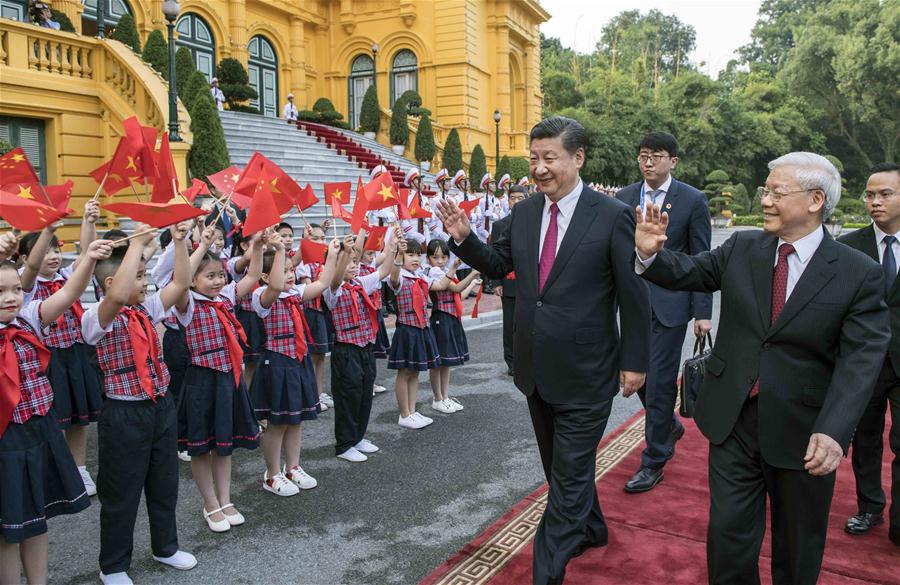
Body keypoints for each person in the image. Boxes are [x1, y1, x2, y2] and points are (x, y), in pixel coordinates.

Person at [634, 152, 890, 585]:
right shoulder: (743, 246)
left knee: (797, 548)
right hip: (733, 418)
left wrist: (834, 429)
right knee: (728, 538)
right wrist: (651, 255)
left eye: (775, 191)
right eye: (765, 191)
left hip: (804, 431)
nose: (765, 200)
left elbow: (861, 358)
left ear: (814, 200)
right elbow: (692, 272)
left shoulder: (857, 271)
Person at [436, 116, 650, 585]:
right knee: (561, 471)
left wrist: (636, 362)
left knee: (567, 484)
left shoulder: (611, 215)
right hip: (535, 369)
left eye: (549, 158)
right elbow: (499, 265)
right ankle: (592, 528)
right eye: (534, 158)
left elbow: (633, 295)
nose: (539, 168)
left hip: (587, 372)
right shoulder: (528, 213)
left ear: (577, 158)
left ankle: (546, 572)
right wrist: (464, 237)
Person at [83, 223, 199, 585]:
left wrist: (179, 242)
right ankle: (113, 565)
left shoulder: (146, 308)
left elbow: (180, 283)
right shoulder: (95, 317)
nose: (146, 281)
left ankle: (165, 547)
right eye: (138, 276)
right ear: (109, 284)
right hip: (123, 413)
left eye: (145, 275)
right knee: (122, 491)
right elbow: (117, 296)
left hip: (160, 404)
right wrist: (136, 244)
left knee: (164, 482)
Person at [0, 234, 109, 585]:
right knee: (10, 527)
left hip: (41, 431)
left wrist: (89, 257)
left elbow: (67, 295)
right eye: (1, 291)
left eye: (16, 289)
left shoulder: (28, 320)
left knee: (38, 518)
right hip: (6, 440)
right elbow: (30, 265)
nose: (11, 297)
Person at [615, 131, 713, 493]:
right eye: (643, 155)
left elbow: (701, 259)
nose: (648, 162)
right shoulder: (625, 198)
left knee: (657, 384)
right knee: (631, 373)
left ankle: (654, 459)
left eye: (656, 156)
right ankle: (668, 424)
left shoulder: (691, 200)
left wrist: (703, 311)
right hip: (633, 302)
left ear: (673, 160)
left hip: (671, 304)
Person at [174, 226, 263, 533]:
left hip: (227, 378)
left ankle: (225, 499)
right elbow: (181, 279)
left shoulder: (224, 297)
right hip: (201, 380)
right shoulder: (186, 303)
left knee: (223, 444)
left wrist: (260, 245)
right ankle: (209, 502)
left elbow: (252, 277)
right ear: (194, 279)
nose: (217, 281)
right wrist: (200, 245)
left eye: (219, 275)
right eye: (209, 276)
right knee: (202, 446)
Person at [17, 202, 105, 497]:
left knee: (78, 418)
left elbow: (85, 255)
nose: (53, 256)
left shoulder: (66, 277)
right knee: (52, 417)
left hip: (75, 353)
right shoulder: (24, 287)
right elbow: (29, 270)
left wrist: (88, 219)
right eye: (47, 250)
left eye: (56, 249)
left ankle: (79, 468)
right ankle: (53, 471)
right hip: (46, 359)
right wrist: (47, 229)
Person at [837, 161, 900, 546]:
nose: (874, 201)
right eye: (869, 195)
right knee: (866, 438)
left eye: (885, 194)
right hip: (863, 361)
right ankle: (869, 506)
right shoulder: (848, 248)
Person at [252, 238, 338, 492]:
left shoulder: (293, 293)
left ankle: (293, 467)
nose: (290, 275)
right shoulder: (262, 296)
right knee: (277, 423)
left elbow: (322, 283)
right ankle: (272, 473)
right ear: (266, 277)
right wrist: (279, 250)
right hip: (277, 361)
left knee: (295, 419)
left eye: (291, 270)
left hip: (297, 360)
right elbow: (277, 285)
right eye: (284, 270)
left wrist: (331, 256)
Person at [325, 229, 399, 461]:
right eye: (348, 263)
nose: (354, 266)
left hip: (365, 344)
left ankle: (358, 437)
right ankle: (344, 443)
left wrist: (393, 246)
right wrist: (344, 253)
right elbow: (336, 279)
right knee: (348, 394)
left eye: (356, 262)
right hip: (345, 348)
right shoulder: (331, 288)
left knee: (365, 391)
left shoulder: (360, 282)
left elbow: (385, 271)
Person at [386, 239, 442, 430]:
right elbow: (393, 279)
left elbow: (439, 284)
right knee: (405, 372)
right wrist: (398, 256)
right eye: (411, 254)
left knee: (416, 371)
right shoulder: (400, 276)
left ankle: (412, 410)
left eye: (418, 254)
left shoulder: (419, 276)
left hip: (421, 327)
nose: (416, 258)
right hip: (407, 329)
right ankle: (404, 414)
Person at [424, 240, 481, 414]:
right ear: (428, 259)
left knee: (446, 362)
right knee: (438, 362)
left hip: (450, 318)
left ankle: (445, 397)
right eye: (435, 257)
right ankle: (437, 398)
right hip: (441, 317)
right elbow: (456, 288)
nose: (440, 261)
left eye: (443, 257)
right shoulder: (435, 272)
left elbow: (459, 295)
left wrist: (472, 283)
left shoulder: (444, 272)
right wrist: (471, 274)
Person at [489, 184, 527, 376]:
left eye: (521, 198)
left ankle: (528, 359)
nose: (517, 201)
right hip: (509, 281)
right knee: (510, 323)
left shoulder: (535, 223)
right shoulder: (499, 226)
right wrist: (496, 282)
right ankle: (511, 360)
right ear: (508, 199)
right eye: (513, 198)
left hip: (531, 283)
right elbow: (495, 256)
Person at [298, 223, 334, 410]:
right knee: (312, 355)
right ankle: (311, 394)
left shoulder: (325, 260)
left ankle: (319, 392)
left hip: (324, 311)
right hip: (310, 311)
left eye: (322, 238)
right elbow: (309, 287)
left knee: (320, 355)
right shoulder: (304, 263)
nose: (320, 242)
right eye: (315, 238)